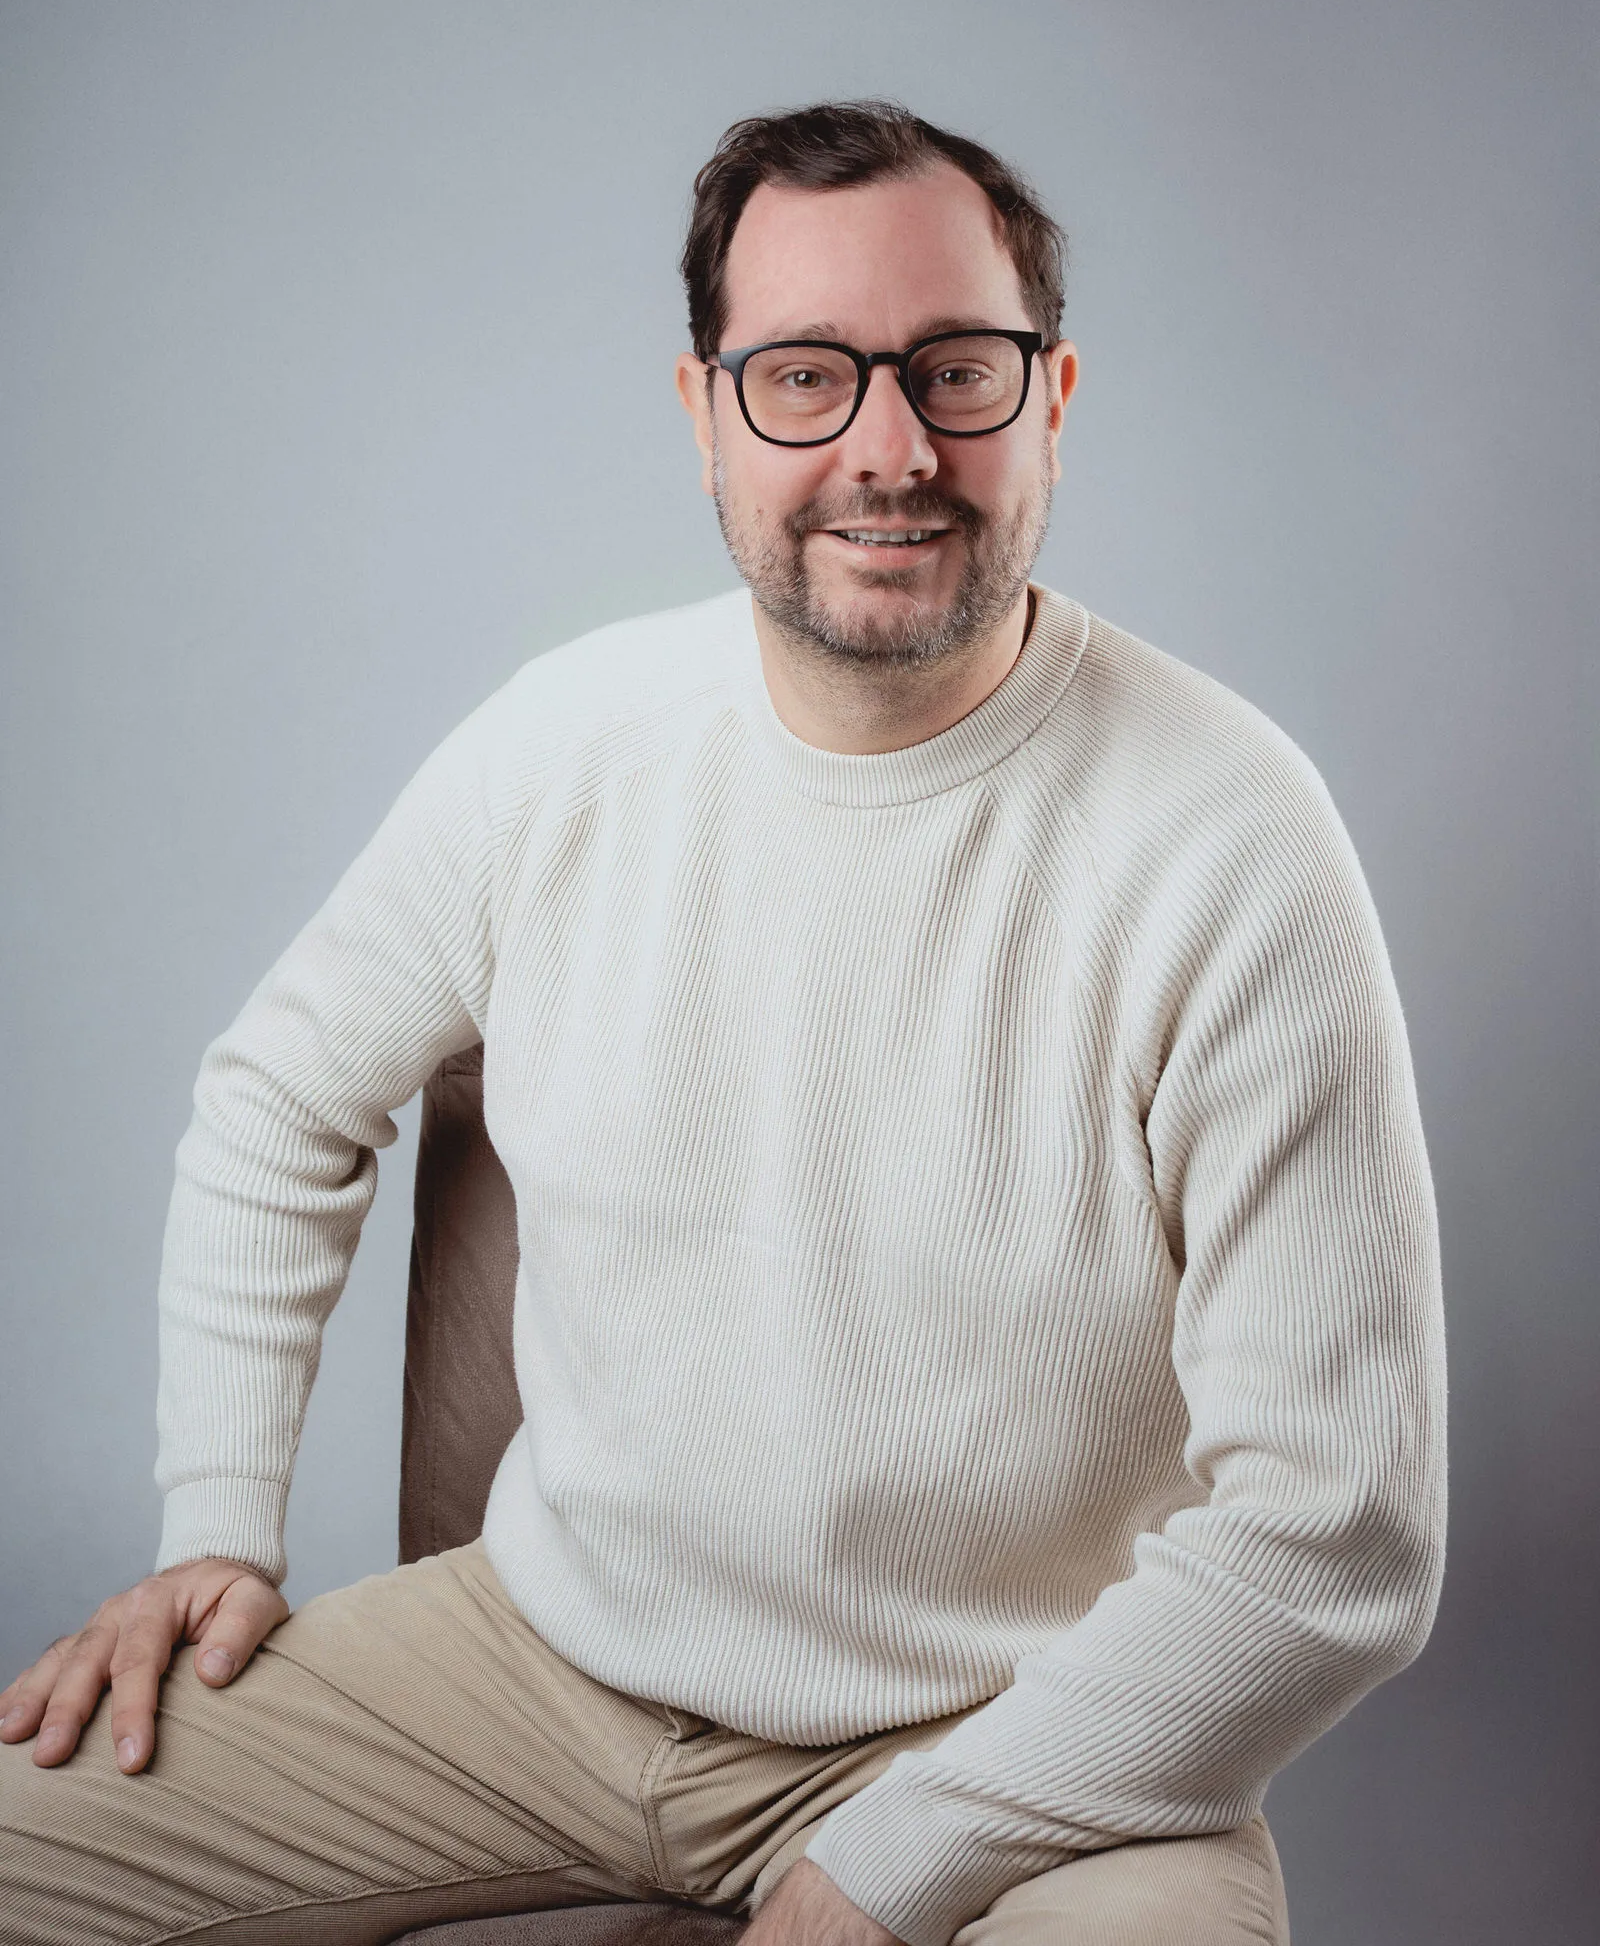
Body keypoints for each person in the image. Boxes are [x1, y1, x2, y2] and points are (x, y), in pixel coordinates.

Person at [0, 101, 1446, 1946]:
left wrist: (894, 1865)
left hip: (1010, 1738)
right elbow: (277, 1100)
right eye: (805, 378)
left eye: (958, 371)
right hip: (535, 1675)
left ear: (1055, 399)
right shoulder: (561, 748)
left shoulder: (1233, 836)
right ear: (703, 414)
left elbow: (1344, 1537)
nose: (891, 447)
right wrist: (217, 1528)